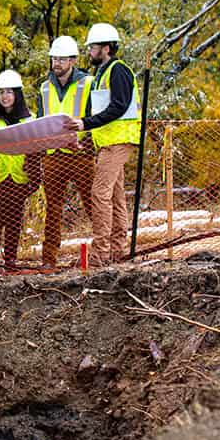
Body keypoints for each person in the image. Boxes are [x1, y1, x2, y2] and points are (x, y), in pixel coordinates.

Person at [71, 23, 140, 268]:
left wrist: (85, 124)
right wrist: (88, 135)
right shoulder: (102, 73)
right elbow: (102, 110)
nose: (90, 51)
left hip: (118, 141)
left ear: (107, 48)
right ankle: (117, 251)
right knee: (115, 196)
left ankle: (101, 253)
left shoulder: (118, 70)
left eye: (93, 47)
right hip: (107, 142)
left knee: (99, 194)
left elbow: (118, 107)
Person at [37, 35, 95, 270]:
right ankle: (49, 258)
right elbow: (41, 123)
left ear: (73, 60)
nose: (56, 63)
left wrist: (88, 146)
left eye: (61, 58)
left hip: (81, 155)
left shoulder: (88, 83)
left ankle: (107, 249)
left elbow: (95, 118)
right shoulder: (44, 87)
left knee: (93, 203)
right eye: (54, 58)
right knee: (53, 208)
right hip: (53, 156)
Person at [0, 70, 41, 272]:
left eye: (10, 92)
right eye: (1, 92)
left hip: (18, 179)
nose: (5, 96)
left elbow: (35, 150)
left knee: (14, 222)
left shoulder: (30, 119)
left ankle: (11, 261)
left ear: (17, 94)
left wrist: (34, 176)